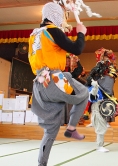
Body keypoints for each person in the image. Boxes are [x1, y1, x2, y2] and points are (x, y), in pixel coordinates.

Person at [28, 2, 89, 166]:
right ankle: (71, 128)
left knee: (50, 130)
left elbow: (49, 50)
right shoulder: (52, 31)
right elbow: (77, 48)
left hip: (39, 85)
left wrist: (63, 34)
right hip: (54, 81)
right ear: (55, 16)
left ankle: (42, 163)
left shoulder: (34, 35)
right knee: (84, 93)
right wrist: (81, 33)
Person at [86, 48, 118, 152]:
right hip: (98, 96)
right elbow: (89, 80)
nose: (107, 60)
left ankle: (100, 143)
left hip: (107, 97)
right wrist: (93, 85)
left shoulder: (112, 69)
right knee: (99, 120)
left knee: (102, 120)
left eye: (108, 57)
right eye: (105, 57)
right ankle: (99, 145)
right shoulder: (98, 68)